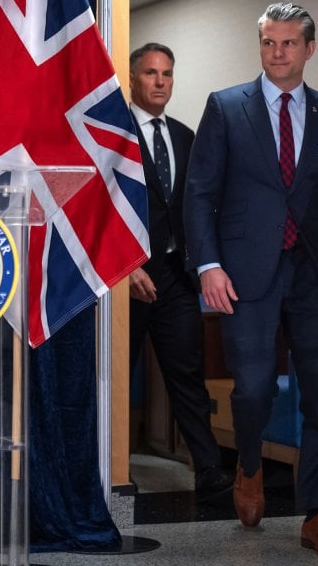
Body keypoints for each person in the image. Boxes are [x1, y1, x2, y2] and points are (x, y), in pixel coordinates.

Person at [184, 2, 318, 558]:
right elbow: (199, 193)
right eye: (269, 43)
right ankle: (249, 465)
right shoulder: (226, 108)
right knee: (250, 390)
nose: (278, 53)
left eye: (289, 43)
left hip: (313, 273)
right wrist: (208, 265)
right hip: (244, 274)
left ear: (309, 49)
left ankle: (316, 513)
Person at [128, 42, 233, 501]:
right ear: (132, 79)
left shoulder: (187, 136)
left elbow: (201, 206)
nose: (159, 82)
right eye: (150, 73)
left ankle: (209, 468)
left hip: (175, 276)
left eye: (167, 74)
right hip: (126, 277)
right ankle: (106, 469)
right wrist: (124, 267)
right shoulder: (112, 135)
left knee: (187, 374)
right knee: (116, 379)